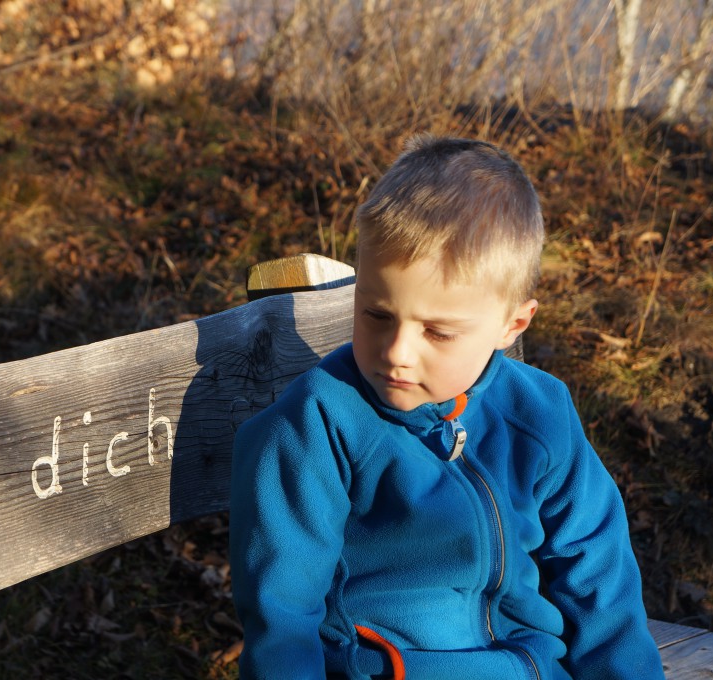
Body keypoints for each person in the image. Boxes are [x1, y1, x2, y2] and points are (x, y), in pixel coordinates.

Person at [229, 134, 665, 679]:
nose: (396, 353)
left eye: (438, 332)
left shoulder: (537, 412)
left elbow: (597, 568)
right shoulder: (317, 423)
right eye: (376, 315)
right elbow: (282, 613)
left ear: (514, 326)